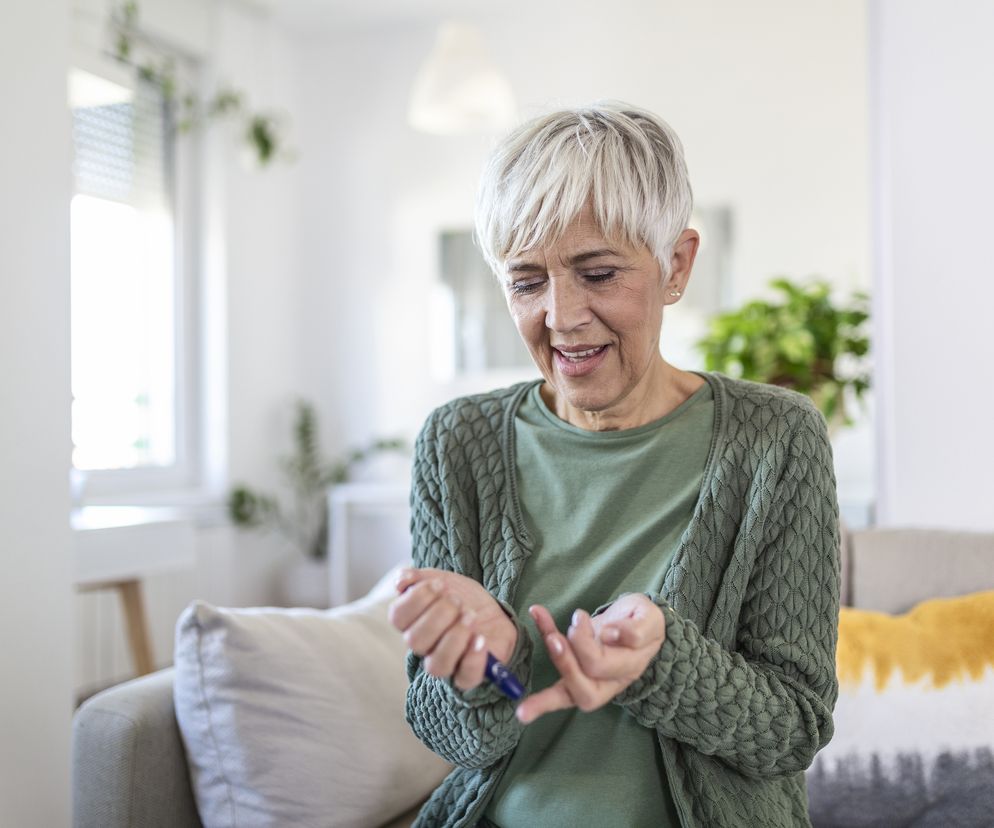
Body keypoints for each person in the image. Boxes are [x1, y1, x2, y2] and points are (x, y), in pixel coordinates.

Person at [388, 103, 841, 828]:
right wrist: (494, 662)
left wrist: (663, 659)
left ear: (676, 266)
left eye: (597, 273)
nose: (562, 316)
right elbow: (445, 732)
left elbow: (793, 728)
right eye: (526, 281)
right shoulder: (457, 443)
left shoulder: (776, 440)